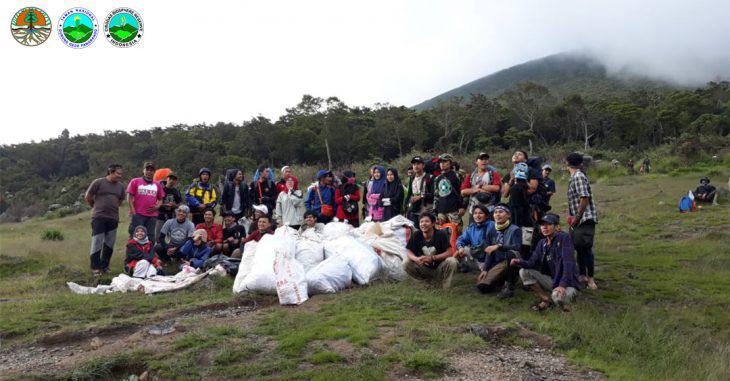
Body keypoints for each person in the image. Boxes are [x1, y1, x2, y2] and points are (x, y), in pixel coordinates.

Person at [509, 214, 581, 311]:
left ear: (557, 227)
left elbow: (568, 264)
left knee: (558, 298)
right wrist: (519, 262)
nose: (544, 227)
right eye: (542, 225)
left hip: (568, 283)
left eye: (548, 224)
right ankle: (546, 300)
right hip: (553, 281)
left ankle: (566, 304)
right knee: (524, 271)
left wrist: (562, 285)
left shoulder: (564, 238)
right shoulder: (542, 243)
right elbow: (531, 262)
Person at [85, 164, 126, 275]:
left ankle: (105, 266)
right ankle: (95, 267)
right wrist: (95, 206)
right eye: (118, 173)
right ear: (110, 172)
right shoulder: (98, 182)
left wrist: (113, 206)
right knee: (97, 242)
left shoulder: (120, 186)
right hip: (99, 217)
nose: (120, 176)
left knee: (109, 243)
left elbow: (121, 199)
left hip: (113, 218)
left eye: (121, 174)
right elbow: (88, 196)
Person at [566, 152, 598, 290]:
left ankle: (590, 278)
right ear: (580, 163)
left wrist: (577, 217)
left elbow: (584, 198)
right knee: (578, 248)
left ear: (567, 163)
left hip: (584, 219)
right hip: (577, 219)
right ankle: (582, 275)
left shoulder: (578, 176)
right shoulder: (574, 177)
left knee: (586, 249)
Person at [403, 212, 458, 289]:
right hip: (423, 267)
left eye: (426, 221)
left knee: (452, 261)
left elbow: (449, 252)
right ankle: (424, 283)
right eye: (421, 222)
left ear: (433, 224)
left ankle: (444, 286)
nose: (423, 224)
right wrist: (416, 259)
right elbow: (409, 251)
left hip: (439, 268)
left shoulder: (441, 234)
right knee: (406, 262)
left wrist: (433, 258)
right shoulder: (416, 235)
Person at [478, 204, 522, 298]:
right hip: (496, 262)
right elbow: (489, 251)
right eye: (495, 212)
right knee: (482, 286)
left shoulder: (515, 229)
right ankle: (500, 279)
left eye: (501, 212)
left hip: (509, 261)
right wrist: (485, 269)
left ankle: (509, 285)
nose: (498, 214)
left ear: (508, 215)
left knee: (512, 253)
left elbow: (517, 247)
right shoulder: (491, 230)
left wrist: (499, 246)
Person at [126, 161, 164, 244]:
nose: (149, 172)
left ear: (154, 172)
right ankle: (132, 255)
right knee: (135, 235)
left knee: (150, 236)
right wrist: (133, 211)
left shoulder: (157, 184)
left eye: (151, 170)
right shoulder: (135, 181)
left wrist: (157, 207)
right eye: (147, 169)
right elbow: (129, 197)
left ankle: (148, 255)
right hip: (138, 214)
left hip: (152, 216)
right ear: (143, 170)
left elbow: (161, 199)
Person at [460, 152, 501, 222]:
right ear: (476, 162)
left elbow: (497, 188)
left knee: (489, 232)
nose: (484, 161)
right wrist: (477, 190)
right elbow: (463, 192)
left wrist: (480, 185)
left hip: (489, 209)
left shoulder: (493, 174)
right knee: (473, 232)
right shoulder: (470, 176)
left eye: (486, 159)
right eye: (481, 159)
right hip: (474, 211)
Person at [455, 205, 494, 272]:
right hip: (477, 257)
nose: (477, 215)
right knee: (462, 249)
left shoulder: (492, 225)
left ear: (487, 216)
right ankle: (464, 265)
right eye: (475, 213)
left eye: (480, 213)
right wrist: (460, 247)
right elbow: (461, 239)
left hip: (491, 258)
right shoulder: (471, 228)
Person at [434, 154, 465, 233]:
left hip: (454, 210)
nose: (442, 164)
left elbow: (463, 192)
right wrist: (435, 212)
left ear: (450, 163)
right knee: (441, 235)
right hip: (441, 211)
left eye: (445, 161)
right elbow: (436, 196)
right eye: (440, 162)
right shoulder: (437, 178)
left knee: (456, 233)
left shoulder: (458, 175)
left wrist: (462, 206)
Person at [405, 156, 435, 226]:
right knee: (414, 230)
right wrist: (406, 208)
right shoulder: (412, 178)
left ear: (423, 165)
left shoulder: (430, 177)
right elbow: (409, 194)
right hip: (414, 209)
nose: (416, 166)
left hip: (426, 209)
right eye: (414, 164)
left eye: (418, 164)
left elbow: (433, 194)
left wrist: (420, 196)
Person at [155, 172, 182, 245]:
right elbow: (154, 201)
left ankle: (169, 251)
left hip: (171, 215)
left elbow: (180, 204)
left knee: (171, 235)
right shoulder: (160, 189)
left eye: (174, 179)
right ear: (167, 179)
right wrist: (162, 204)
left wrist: (175, 205)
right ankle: (157, 251)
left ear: (176, 181)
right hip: (160, 215)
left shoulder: (176, 191)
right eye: (170, 178)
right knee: (158, 234)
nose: (172, 181)